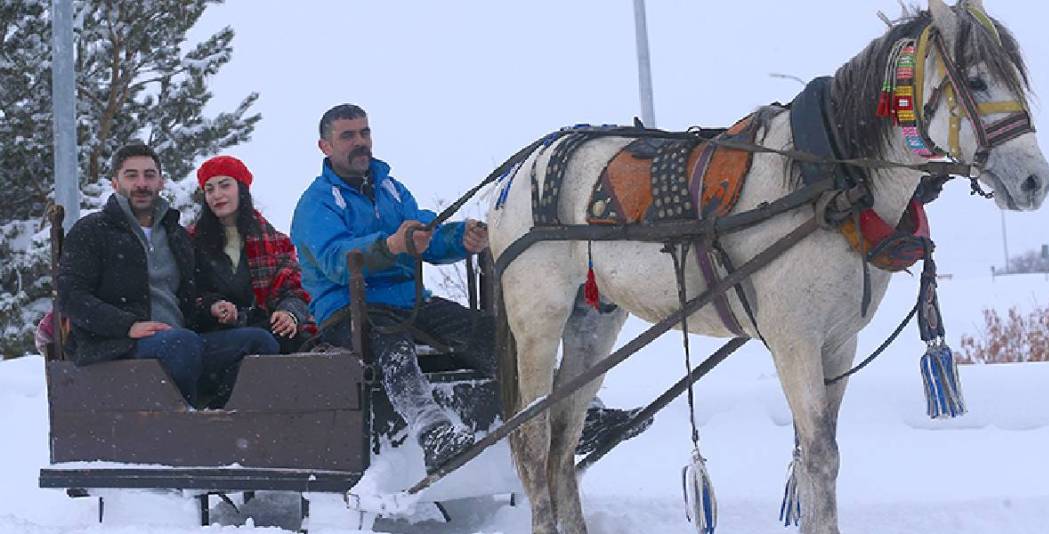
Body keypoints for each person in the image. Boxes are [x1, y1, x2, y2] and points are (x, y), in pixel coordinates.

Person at [291, 104, 649, 470]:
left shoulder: (391, 190)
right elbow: (335, 260)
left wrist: (461, 237)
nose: (360, 142)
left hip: (408, 303)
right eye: (348, 136)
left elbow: (426, 233)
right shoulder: (316, 203)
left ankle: (578, 414)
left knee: (490, 334)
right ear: (325, 146)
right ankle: (432, 431)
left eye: (364, 133)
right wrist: (391, 246)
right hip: (348, 311)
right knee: (391, 344)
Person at [56, 143, 280, 408]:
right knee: (180, 344)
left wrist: (213, 307)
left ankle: (221, 415)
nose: (142, 183)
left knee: (259, 341)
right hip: (118, 344)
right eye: (132, 175)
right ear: (115, 183)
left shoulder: (178, 236)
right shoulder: (92, 231)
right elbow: (71, 296)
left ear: (161, 182)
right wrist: (128, 326)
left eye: (149, 175)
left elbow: (195, 295)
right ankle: (184, 422)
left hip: (184, 341)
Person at [190, 155, 315, 354]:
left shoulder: (276, 242)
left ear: (241, 189)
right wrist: (213, 306)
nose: (217, 195)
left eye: (224, 185)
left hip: (267, 328)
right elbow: (188, 293)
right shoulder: (191, 242)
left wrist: (288, 314)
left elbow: (296, 290)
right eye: (209, 189)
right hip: (214, 334)